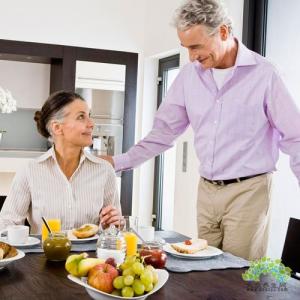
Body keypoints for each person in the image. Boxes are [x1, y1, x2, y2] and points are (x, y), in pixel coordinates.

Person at [100, 0, 300, 260]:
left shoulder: (265, 75)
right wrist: (117, 162)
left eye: (196, 46)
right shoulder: (188, 77)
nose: (192, 56)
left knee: (237, 273)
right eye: (186, 48)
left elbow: (295, 137)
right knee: (203, 267)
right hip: (206, 191)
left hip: (249, 190)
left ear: (224, 32)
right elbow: (163, 133)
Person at [0, 91, 121, 234]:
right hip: (42, 255)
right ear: (57, 127)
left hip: (89, 256)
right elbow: (7, 224)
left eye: (90, 116)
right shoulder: (30, 170)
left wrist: (113, 225)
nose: (91, 124)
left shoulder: (105, 170)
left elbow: (112, 230)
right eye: (81, 117)